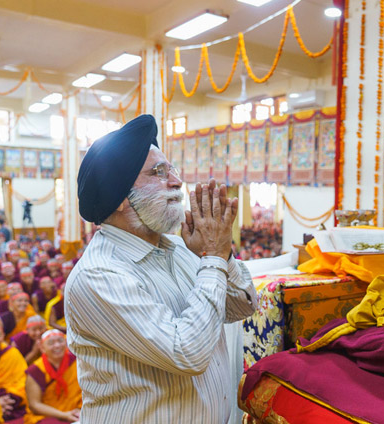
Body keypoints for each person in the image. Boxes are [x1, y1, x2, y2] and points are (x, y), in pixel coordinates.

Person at [66, 115, 257, 423]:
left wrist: (221, 255)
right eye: (158, 172)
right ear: (120, 199)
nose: (176, 181)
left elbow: (240, 307)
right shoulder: (99, 276)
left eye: (171, 170)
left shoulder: (180, 248)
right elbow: (187, 353)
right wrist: (212, 257)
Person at [24, 330, 81, 424]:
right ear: (42, 347)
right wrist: (64, 415)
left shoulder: (77, 361)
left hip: (77, 412)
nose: (57, 345)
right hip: (48, 416)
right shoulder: (35, 370)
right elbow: (34, 405)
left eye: (60, 341)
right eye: (51, 343)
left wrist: (80, 409)